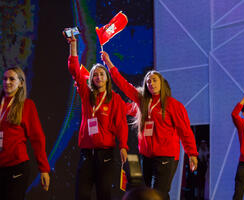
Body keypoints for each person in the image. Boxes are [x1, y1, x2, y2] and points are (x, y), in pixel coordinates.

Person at [101, 51, 198, 200]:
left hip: (166, 156)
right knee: (149, 194)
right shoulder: (143, 102)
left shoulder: (174, 105)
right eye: (148, 81)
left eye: (154, 80)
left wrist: (192, 154)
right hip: (146, 157)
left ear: (161, 83)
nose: (151, 83)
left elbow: (185, 131)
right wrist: (109, 64)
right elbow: (123, 84)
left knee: (159, 194)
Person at [64, 32, 128, 200]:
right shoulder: (86, 94)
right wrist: (73, 46)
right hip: (86, 153)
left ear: (107, 78)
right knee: (82, 194)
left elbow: (121, 124)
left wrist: (123, 146)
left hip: (105, 154)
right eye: (95, 75)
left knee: (104, 194)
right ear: (91, 79)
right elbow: (75, 72)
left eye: (101, 74)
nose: (98, 77)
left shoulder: (114, 99)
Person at [0, 66, 50, 200]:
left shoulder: (27, 105)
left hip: (16, 168)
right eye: (4, 79)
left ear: (21, 83)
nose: (7, 82)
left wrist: (44, 169)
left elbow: (37, 138)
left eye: (12, 79)